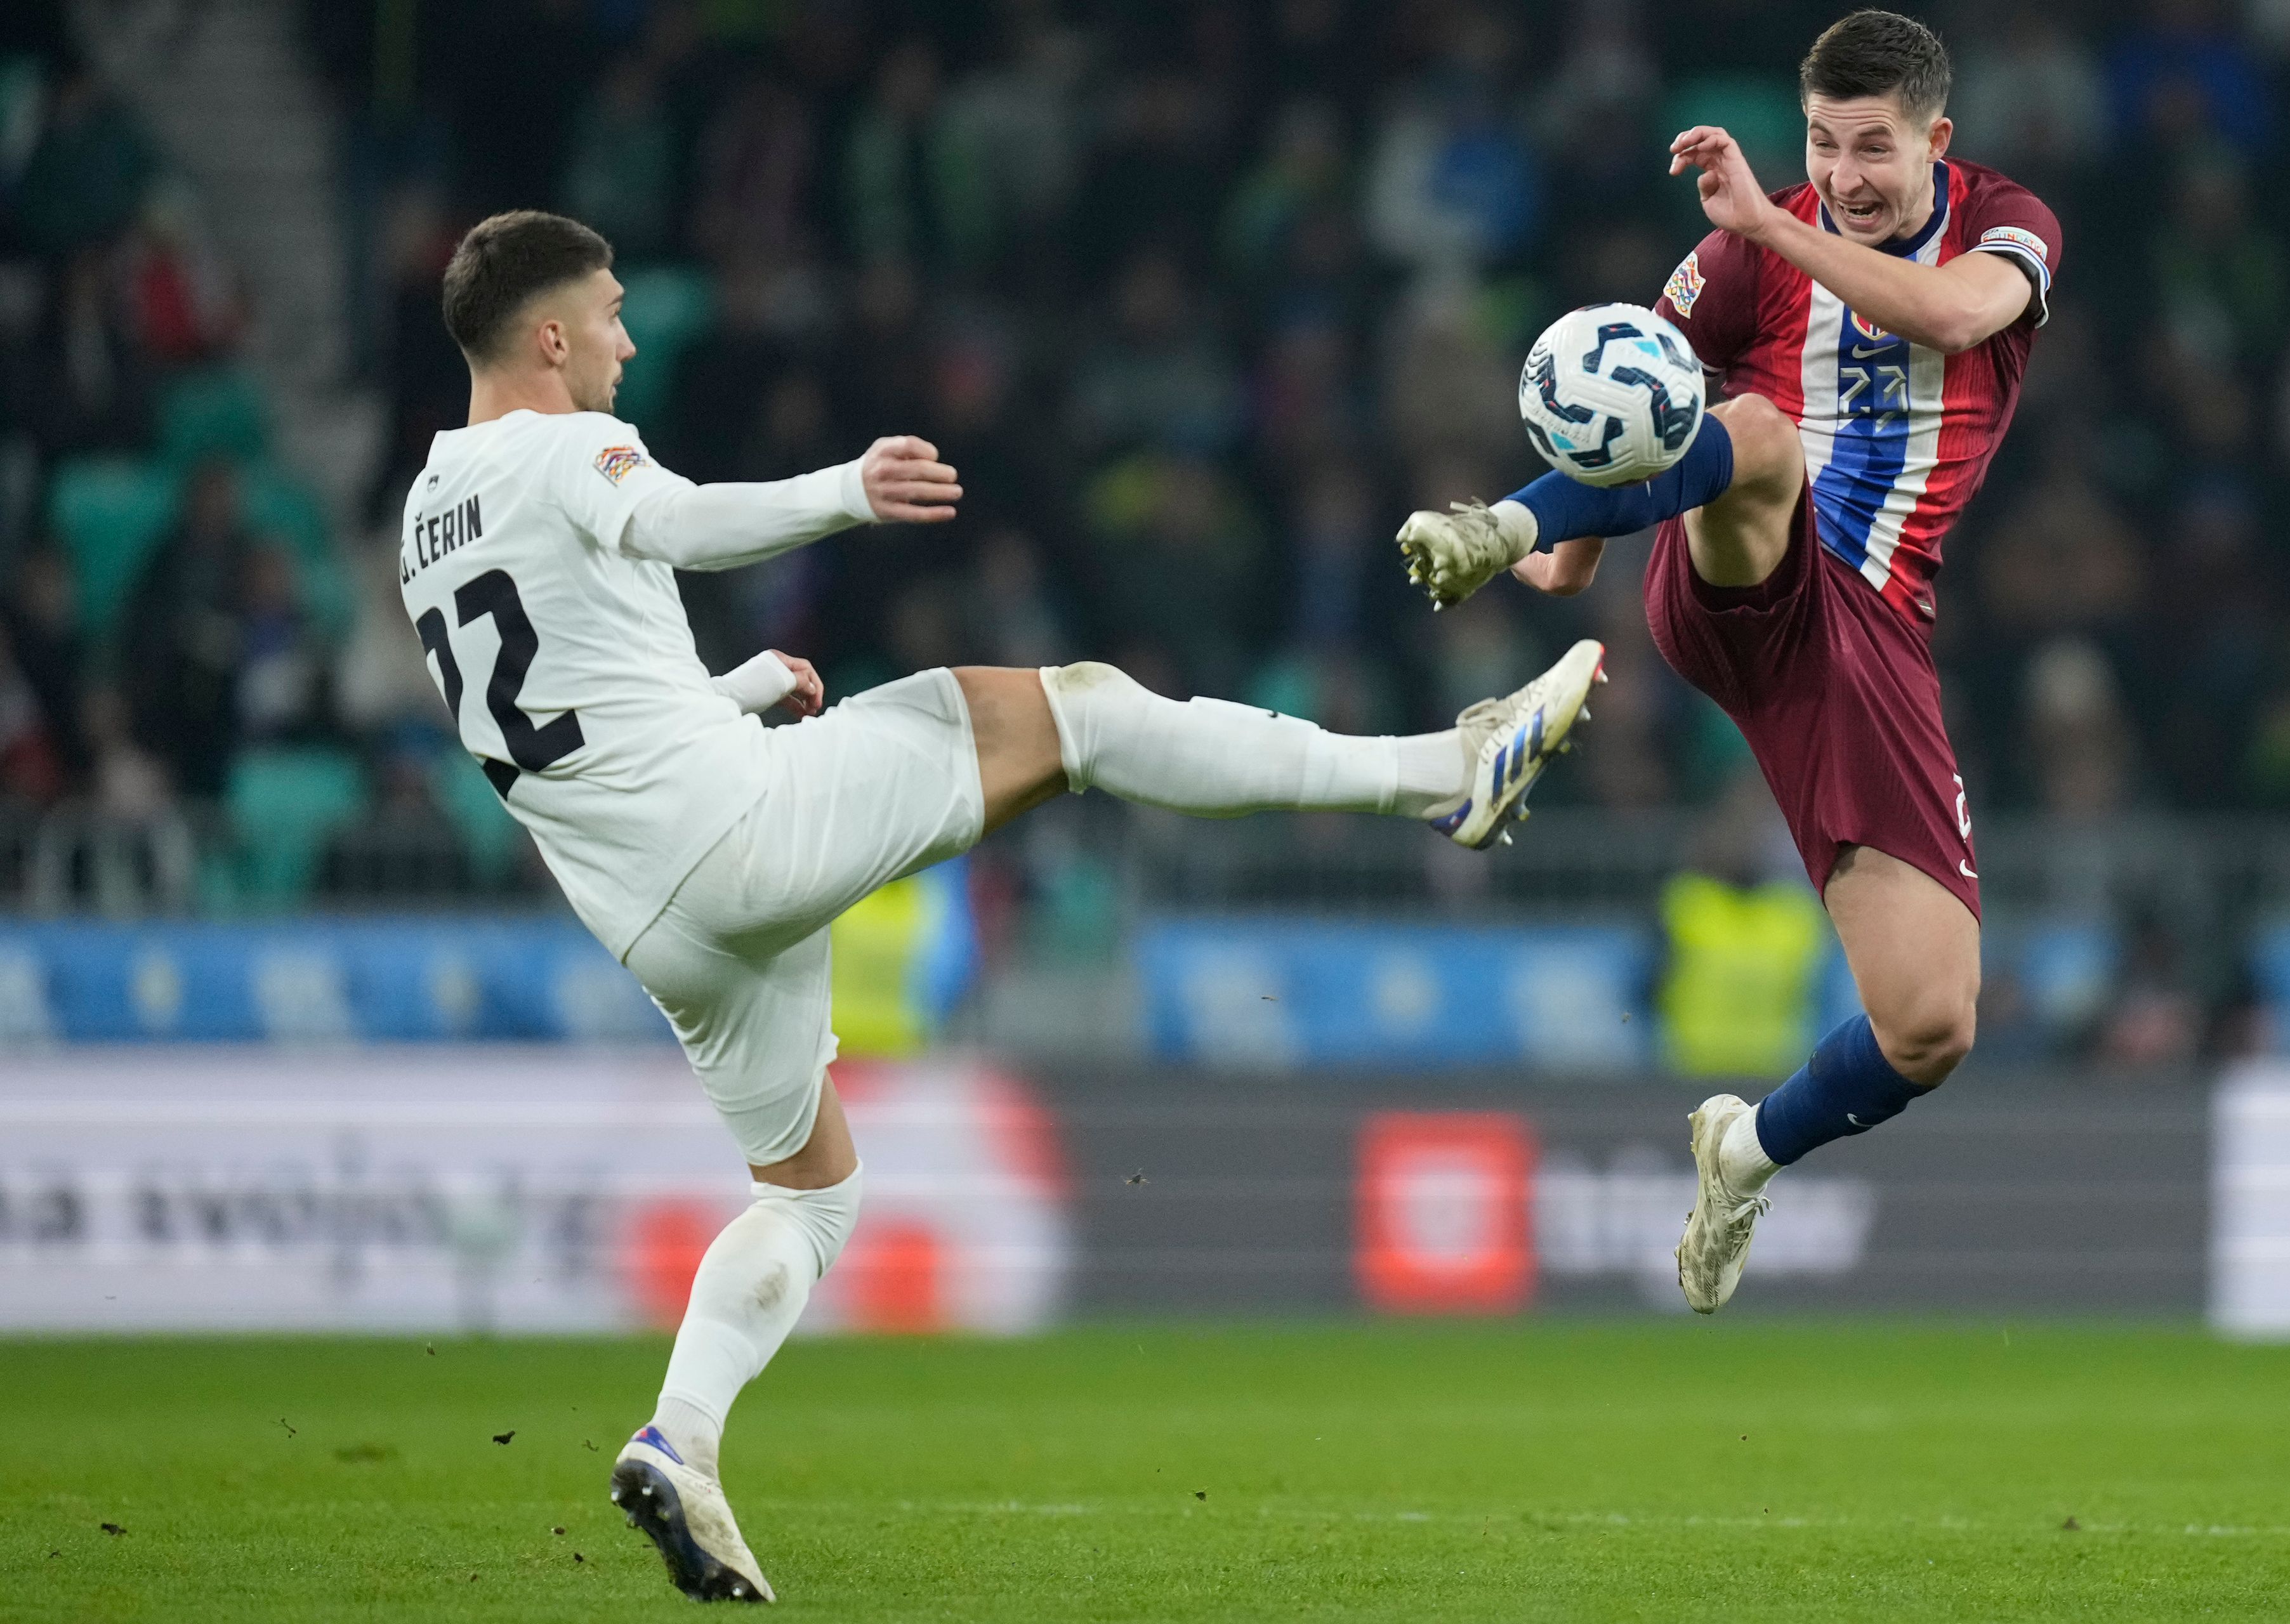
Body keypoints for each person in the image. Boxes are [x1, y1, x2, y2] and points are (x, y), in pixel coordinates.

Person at [401, 209, 1604, 1602]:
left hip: (654, 912)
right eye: (608, 313)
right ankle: (1443, 773)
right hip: (737, 825)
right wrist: (843, 488)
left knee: (811, 1190)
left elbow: (542, 728)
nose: (622, 336)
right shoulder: (565, 445)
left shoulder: (430, 514)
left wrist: (735, 694)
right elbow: (675, 516)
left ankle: (684, 1439)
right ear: (546, 336)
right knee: (1075, 711)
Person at [1395, 10, 2058, 1314]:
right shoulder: (1742, 261)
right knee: (1760, 431)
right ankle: (1493, 522)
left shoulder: (2003, 224)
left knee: (1932, 1022)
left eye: (1875, 148)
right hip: (1744, 579)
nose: (1847, 174)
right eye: (1823, 144)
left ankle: (1742, 1151)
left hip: (1871, 643)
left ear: (1940, 137)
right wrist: (1539, 541)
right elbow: (1631, 409)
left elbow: (1956, 312)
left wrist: (1769, 222)